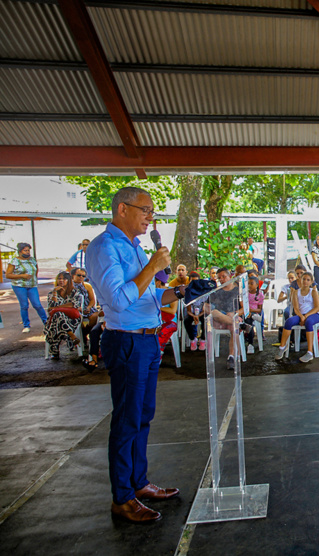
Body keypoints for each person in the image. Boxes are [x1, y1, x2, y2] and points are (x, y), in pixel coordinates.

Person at [86, 186, 183, 522]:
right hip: (126, 341)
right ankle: (122, 498)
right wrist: (153, 265)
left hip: (148, 340)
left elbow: (149, 296)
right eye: (146, 210)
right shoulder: (104, 248)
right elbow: (117, 300)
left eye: (152, 211)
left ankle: (138, 483)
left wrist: (181, 291)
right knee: (127, 420)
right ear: (123, 209)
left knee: (142, 416)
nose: (150, 217)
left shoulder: (135, 248)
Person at [275, 272, 319, 362]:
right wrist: (301, 316)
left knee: (309, 322)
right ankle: (282, 347)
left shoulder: (313, 292)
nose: (305, 281)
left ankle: (310, 352)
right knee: (288, 321)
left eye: (308, 280)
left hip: (313, 315)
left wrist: (306, 316)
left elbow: (317, 308)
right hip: (300, 314)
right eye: (304, 279)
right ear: (300, 280)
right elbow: (296, 308)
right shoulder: (296, 292)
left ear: (311, 282)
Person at [6, 242, 48, 333]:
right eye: (25, 250)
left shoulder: (32, 260)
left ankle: (47, 322)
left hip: (32, 285)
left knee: (37, 304)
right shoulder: (14, 261)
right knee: (24, 305)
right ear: (20, 251)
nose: (27, 252)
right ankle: (26, 325)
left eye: (28, 250)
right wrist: (22, 276)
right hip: (19, 286)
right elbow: (8, 275)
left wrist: (35, 279)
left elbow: (36, 269)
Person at [45, 271, 84, 359]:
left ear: (69, 280)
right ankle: (71, 334)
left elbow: (73, 305)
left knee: (57, 316)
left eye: (64, 279)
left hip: (72, 319)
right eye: (59, 278)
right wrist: (55, 293)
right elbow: (51, 307)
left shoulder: (74, 291)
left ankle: (54, 351)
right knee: (58, 315)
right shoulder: (52, 293)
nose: (61, 280)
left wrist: (57, 308)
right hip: (56, 319)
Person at [154, 277, 178, 354]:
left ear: (158, 282)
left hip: (170, 321)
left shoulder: (172, 292)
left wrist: (157, 307)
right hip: (156, 321)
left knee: (161, 331)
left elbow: (173, 311)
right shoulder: (152, 292)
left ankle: (158, 353)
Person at [244, 275, 264, 353]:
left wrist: (251, 310)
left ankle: (250, 344)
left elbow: (259, 309)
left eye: (251, 283)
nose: (249, 285)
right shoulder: (245, 294)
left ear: (257, 285)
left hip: (254, 312)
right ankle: (250, 343)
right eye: (248, 284)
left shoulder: (260, 295)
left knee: (249, 321)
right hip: (245, 312)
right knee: (248, 321)